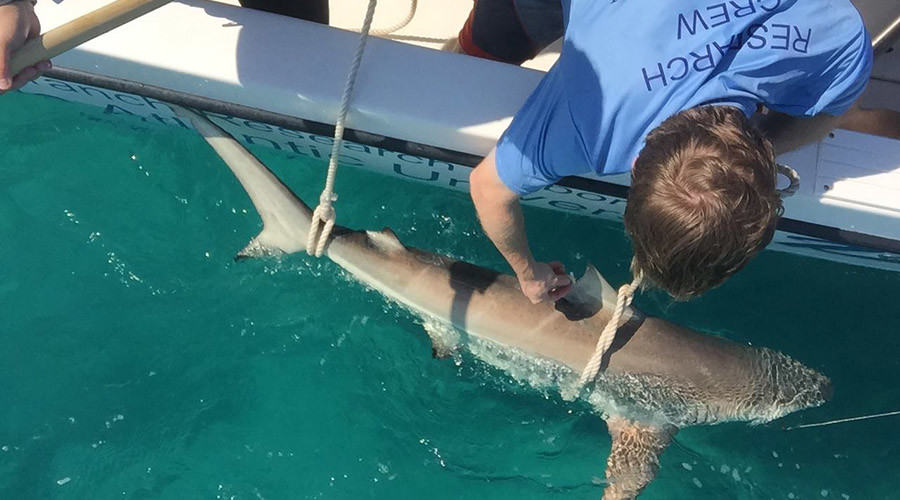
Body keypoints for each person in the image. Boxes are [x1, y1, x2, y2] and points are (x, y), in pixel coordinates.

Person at [460, 0, 874, 303]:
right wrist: (528, 275)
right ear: (636, 165)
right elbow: (487, 188)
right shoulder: (595, 123)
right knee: (481, 51)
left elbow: (835, 106)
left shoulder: (837, 36)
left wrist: (764, 140)